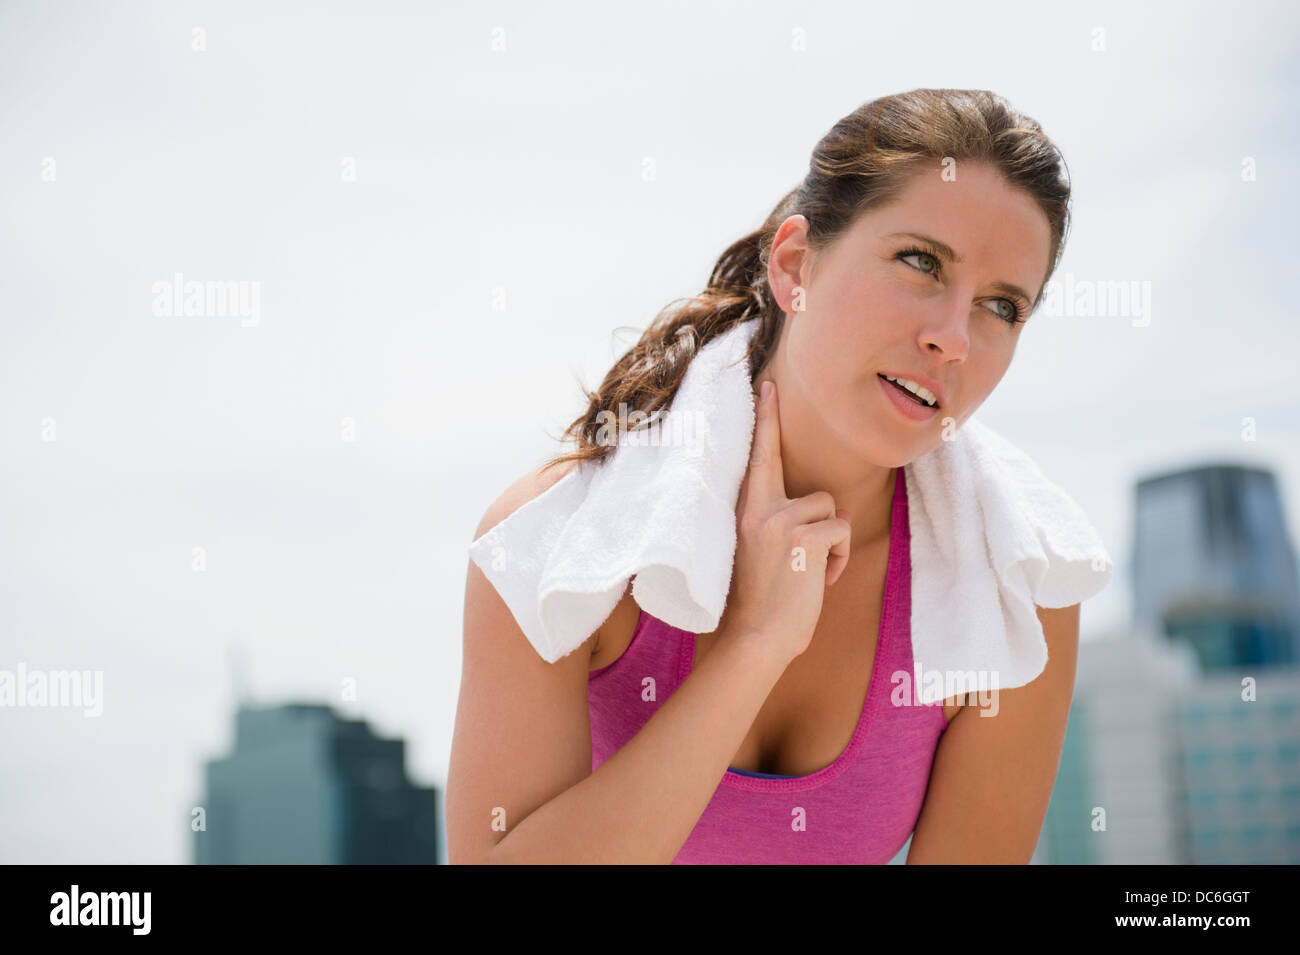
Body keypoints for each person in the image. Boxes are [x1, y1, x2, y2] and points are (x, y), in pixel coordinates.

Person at [448, 88, 1082, 864]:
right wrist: (754, 645)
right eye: (921, 262)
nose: (952, 337)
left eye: (1001, 306)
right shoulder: (559, 547)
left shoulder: (1012, 583)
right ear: (794, 266)